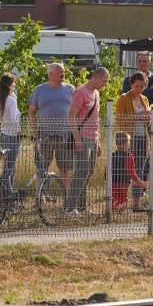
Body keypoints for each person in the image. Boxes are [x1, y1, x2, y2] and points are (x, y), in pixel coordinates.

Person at [66, 67, 110, 216]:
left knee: (88, 172)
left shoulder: (96, 94)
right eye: (104, 81)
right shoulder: (81, 92)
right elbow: (71, 117)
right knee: (80, 172)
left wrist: (97, 142)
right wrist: (77, 139)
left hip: (93, 138)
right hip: (82, 137)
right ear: (96, 78)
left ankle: (82, 207)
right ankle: (71, 208)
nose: (105, 84)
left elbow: (95, 120)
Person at [28, 62, 75, 181]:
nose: (63, 73)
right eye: (60, 71)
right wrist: (35, 131)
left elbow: (77, 111)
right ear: (50, 74)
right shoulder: (39, 89)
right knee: (43, 166)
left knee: (65, 168)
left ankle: (66, 196)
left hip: (65, 134)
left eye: (63, 71)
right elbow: (31, 112)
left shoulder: (70, 89)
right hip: (45, 134)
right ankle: (42, 194)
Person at [115, 71, 152, 209]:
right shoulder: (123, 98)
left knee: (140, 170)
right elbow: (119, 119)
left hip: (142, 138)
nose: (139, 89)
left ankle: (136, 203)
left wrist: (148, 119)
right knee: (126, 170)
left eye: (142, 86)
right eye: (137, 86)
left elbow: (146, 121)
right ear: (131, 84)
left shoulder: (145, 99)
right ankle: (120, 202)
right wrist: (140, 116)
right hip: (128, 139)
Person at [0, 73, 21, 202]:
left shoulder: (0, 99)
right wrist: (19, 131)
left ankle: (7, 194)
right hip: (12, 136)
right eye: (13, 85)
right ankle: (3, 192)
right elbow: (13, 119)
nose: (14, 87)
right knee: (10, 168)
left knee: (9, 166)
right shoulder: (11, 101)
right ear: (9, 86)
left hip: (4, 134)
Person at [109, 132, 147, 212]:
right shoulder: (129, 156)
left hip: (112, 183)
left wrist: (106, 178)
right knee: (123, 200)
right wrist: (139, 182)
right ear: (126, 143)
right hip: (124, 183)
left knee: (114, 199)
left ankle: (113, 213)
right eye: (129, 142)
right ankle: (121, 212)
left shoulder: (111, 155)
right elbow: (131, 172)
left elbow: (107, 170)